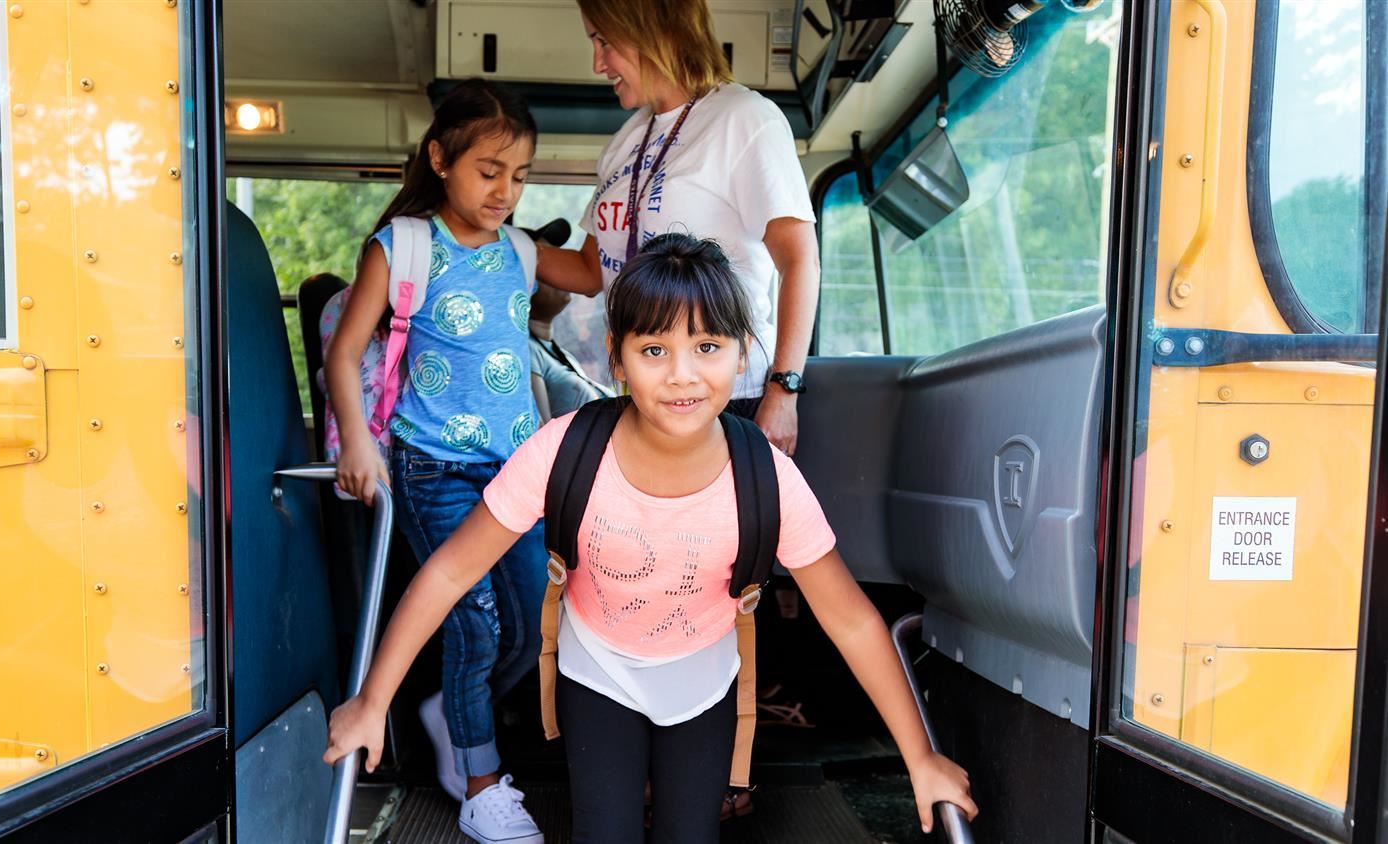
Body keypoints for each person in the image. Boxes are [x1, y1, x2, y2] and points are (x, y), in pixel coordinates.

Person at [324, 235, 977, 843]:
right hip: (597, 670)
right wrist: (371, 700)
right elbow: (448, 573)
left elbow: (854, 623)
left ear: (743, 353)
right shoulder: (563, 450)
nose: (683, 376)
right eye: (654, 350)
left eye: (708, 348)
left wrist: (919, 758)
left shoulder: (766, 478)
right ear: (618, 357)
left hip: (704, 680)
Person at [322, 78, 552, 844]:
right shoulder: (406, 245)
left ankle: (444, 706)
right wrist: (359, 441)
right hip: (435, 471)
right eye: (490, 171)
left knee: (523, 632)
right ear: (441, 159)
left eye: (519, 177)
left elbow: (597, 271)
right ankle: (482, 785)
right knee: (477, 629)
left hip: (518, 478)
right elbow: (344, 350)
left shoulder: (520, 251)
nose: (505, 192)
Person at [534, 0, 820, 455]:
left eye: (604, 41)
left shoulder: (743, 118)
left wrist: (784, 390)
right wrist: (500, 241)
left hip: (729, 393)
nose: (597, 63)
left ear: (652, 29)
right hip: (646, 389)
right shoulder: (624, 143)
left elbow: (800, 258)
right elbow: (592, 269)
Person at [528, 281, 613, 422]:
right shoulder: (528, 351)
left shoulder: (565, 356)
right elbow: (541, 428)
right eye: (545, 277)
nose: (559, 279)